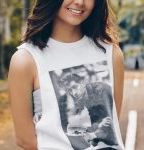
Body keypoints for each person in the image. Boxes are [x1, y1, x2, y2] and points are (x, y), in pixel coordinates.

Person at [8, 0, 125, 150]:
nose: (80, 2)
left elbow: (113, 120)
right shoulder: (26, 60)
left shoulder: (111, 53)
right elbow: (25, 140)